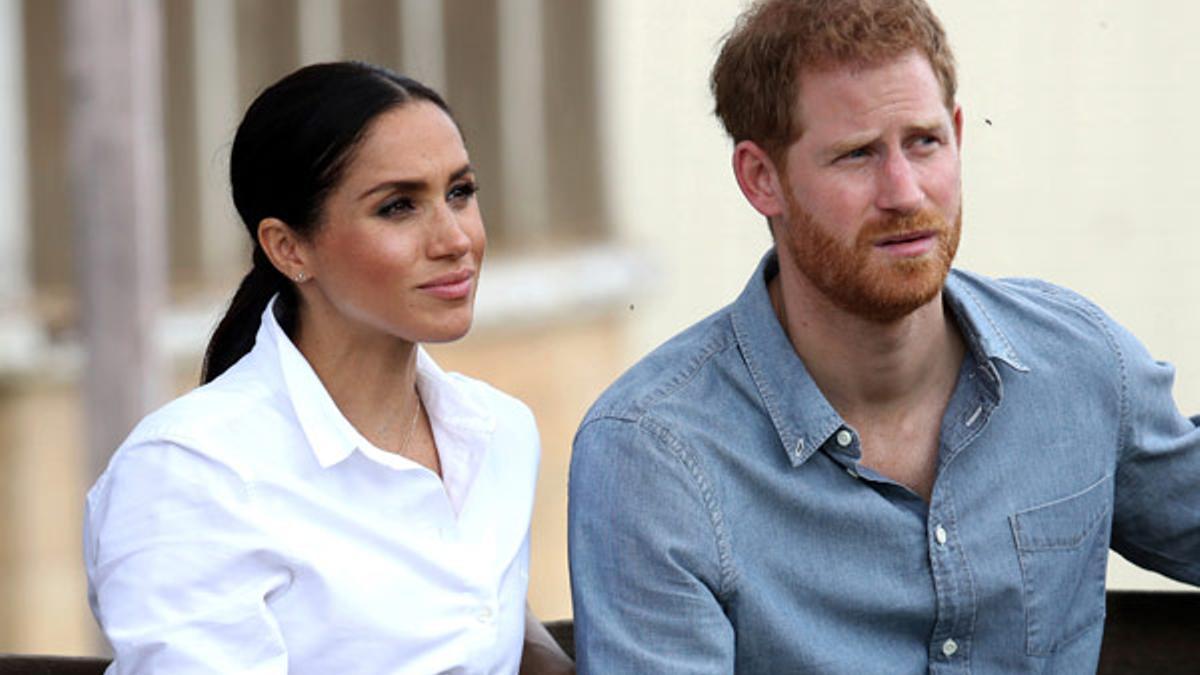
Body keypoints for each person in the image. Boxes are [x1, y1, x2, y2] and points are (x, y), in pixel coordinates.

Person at [568, 1, 1200, 672]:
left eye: (924, 142)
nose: (904, 191)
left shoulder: (1081, 365)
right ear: (761, 178)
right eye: (857, 155)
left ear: (959, 133)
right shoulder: (654, 456)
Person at [85, 62, 573, 674]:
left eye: (460, 192)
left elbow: (491, 637)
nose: (454, 239)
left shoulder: (500, 432)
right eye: (398, 206)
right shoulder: (190, 474)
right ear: (288, 248)